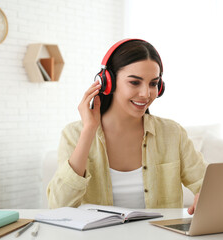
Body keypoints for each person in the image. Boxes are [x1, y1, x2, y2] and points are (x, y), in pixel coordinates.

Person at [47, 39, 207, 214]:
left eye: (153, 83)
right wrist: (88, 131)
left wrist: (205, 196)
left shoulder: (172, 133)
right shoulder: (73, 134)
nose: (146, 94)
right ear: (108, 82)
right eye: (135, 82)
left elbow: (206, 184)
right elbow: (59, 206)